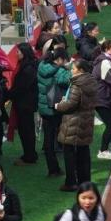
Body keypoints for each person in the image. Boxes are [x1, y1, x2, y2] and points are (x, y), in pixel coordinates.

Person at [55, 58, 98, 192]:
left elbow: (71, 104)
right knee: (83, 153)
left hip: (74, 122)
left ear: (81, 70)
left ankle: (71, 183)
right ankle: (85, 181)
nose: (71, 71)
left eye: (73, 69)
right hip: (86, 121)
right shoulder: (91, 82)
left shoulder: (77, 84)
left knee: (69, 155)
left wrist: (58, 105)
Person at [38, 48, 71, 178]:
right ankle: (63, 168)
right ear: (60, 59)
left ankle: (53, 169)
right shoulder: (60, 70)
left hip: (44, 107)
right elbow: (66, 81)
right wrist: (68, 69)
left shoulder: (42, 66)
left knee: (48, 139)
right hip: (56, 108)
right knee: (63, 137)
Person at [5, 44, 38, 167]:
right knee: (25, 130)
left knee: (26, 131)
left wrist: (8, 95)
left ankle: (30, 156)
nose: (16, 53)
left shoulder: (27, 68)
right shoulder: (26, 65)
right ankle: (29, 154)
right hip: (24, 103)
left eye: (18, 51)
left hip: (25, 105)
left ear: (24, 52)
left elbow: (20, 87)